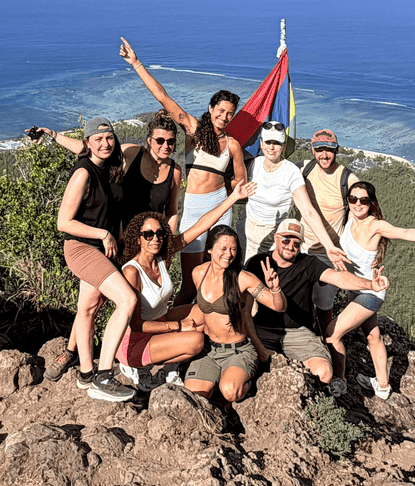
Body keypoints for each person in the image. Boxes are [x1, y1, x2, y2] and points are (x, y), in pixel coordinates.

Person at [120, 38, 247, 304]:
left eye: (230, 114)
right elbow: (163, 97)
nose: (225, 117)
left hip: (220, 207)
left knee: (219, 278)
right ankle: (174, 322)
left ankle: (214, 327)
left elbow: (240, 181)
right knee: (189, 284)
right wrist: (136, 63)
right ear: (211, 109)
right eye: (221, 110)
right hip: (192, 207)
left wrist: (236, 189)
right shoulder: (193, 130)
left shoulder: (233, 145)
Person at [325, 181, 415, 398]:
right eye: (353, 199)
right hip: (356, 290)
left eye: (363, 200)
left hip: (370, 293)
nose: (357, 204)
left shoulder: (375, 225)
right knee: (373, 337)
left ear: (371, 202)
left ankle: (340, 381)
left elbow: (405, 232)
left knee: (331, 334)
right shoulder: (349, 220)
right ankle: (383, 386)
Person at [117, 180, 256, 391]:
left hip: (158, 321)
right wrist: (178, 327)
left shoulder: (162, 257)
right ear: (138, 239)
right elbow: (136, 324)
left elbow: (201, 226)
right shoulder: (132, 271)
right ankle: (138, 368)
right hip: (134, 341)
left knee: (202, 312)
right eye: (148, 235)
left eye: (159, 234)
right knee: (196, 340)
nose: (155, 239)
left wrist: (233, 198)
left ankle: (169, 366)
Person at [244, 218, 388, 395]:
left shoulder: (309, 264)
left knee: (324, 373)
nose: (291, 247)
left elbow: (339, 278)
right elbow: (245, 309)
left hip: (298, 332)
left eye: (296, 243)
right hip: (264, 329)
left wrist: (370, 285)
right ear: (276, 238)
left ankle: (288, 369)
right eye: (286, 240)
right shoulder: (256, 263)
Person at [56, 116, 137, 402]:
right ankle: (104, 376)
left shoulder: (111, 166)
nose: (105, 143)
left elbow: (82, 145)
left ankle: (86, 372)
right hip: (82, 248)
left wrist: (54, 136)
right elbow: (63, 222)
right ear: (88, 143)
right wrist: (103, 234)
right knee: (127, 300)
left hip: (100, 250)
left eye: (109, 138)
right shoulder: (83, 173)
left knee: (88, 308)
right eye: (98, 139)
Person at [29, 109, 182, 233]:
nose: (165, 146)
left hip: (152, 240)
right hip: (123, 235)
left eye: (171, 141)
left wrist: (168, 244)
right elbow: (90, 150)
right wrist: (54, 136)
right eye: (160, 140)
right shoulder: (132, 153)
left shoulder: (174, 171)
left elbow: (172, 212)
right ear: (149, 140)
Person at [182, 225, 286, 404]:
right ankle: (217, 380)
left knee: (230, 392)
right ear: (209, 249)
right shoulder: (199, 273)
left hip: (238, 350)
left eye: (233, 249)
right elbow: (189, 303)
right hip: (209, 350)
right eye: (223, 248)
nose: (229, 254)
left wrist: (275, 289)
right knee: (194, 397)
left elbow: (278, 307)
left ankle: (248, 383)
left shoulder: (244, 278)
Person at [243, 122, 349, 270]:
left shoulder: (291, 173)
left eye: (277, 143)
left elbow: (308, 212)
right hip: (249, 238)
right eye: (268, 142)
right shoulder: (253, 165)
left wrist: (329, 246)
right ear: (261, 143)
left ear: (284, 146)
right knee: (248, 281)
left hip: (275, 243)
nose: (271, 147)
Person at [297, 129, 359, 336]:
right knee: (300, 299)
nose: (324, 155)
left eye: (329, 150)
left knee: (324, 304)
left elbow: (362, 216)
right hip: (302, 248)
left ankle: (328, 340)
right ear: (313, 151)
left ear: (337, 150)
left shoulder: (348, 180)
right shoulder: (304, 169)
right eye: (319, 150)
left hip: (330, 254)